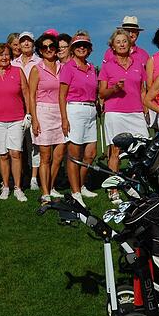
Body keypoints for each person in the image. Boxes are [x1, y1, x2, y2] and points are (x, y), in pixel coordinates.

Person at [99, 29, 149, 204]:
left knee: (142, 150)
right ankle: (113, 189)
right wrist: (114, 89)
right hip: (115, 112)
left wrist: (146, 110)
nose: (121, 44)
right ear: (112, 46)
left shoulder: (138, 65)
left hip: (136, 112)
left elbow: (143, 90)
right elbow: (102, 93)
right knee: (116, 151)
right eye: (118, 42)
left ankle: (135, 185)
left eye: (124, 41)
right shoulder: (107, 65)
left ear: (130, 44)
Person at [0, 42, 30, 202]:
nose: (4, 57)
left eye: (7, 54)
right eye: (0, 54)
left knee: (15, 153)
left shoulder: (18, 71)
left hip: (16, 119)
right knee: (3, 155)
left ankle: (18, 188)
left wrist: (28, 113)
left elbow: (26, 93)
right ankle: (6, 186)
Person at [59, 31, 99, 206]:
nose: (81, 48)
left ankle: (81, 186)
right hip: (74, 110)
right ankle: (75, 192)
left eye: (85, 45)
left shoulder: (91, 68)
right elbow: (62, 95)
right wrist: (64, 119)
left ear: (89, 49)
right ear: (73, 49)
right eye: (78, 45)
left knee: (90, 154)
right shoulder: (68, 67)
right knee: (74, 155)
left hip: (91, 110)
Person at [29, 33, 66, 203]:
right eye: (45, 47)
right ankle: (45, 192)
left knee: (58, 156)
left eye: (52, 46)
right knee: (46, 157)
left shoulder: (63, 67)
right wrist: (34, 119)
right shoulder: (36, 69)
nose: (49, 50)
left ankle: (51, 187)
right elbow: (31, 96)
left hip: (61, 112)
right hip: (43, 113)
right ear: (40, 51)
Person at [12, 31, 43, 190]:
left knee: (34, 144)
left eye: (29, 41)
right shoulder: (13, 63)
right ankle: (20, 176)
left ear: (33, 43)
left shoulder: (39, 61)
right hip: (17, 108)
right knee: (18, 145)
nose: (25, 44)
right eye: (23, 41)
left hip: (35, 106)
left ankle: (34, 178)